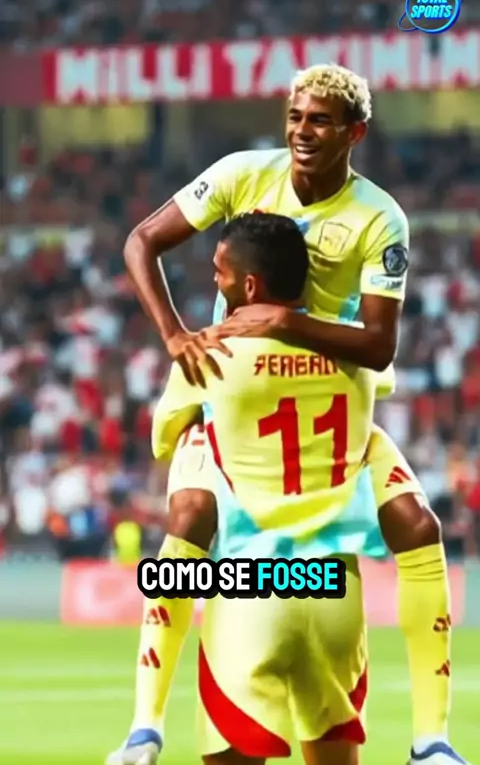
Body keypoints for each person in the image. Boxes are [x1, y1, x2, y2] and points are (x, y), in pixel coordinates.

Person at [112, 64, 465, 765]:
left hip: (331, 386)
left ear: (354, 133)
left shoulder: (379, 217)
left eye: (321, 121)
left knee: (419, 525)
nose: (303, 131)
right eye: (297, 116)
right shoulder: (243, 173)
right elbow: (141, 241)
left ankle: (431, 739)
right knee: (189, 515)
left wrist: (283, 323)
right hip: (236, 387)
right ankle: (144, 726)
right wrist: (175, 334)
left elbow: (380, 345)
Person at [139, 212, 375, 765]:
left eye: (220, 272)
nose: (213, 281)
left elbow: (165, 438)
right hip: (335, 589)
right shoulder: (357, 356)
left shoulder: (211, 354)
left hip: (253, 587)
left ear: (249, 286)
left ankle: (142, 727)